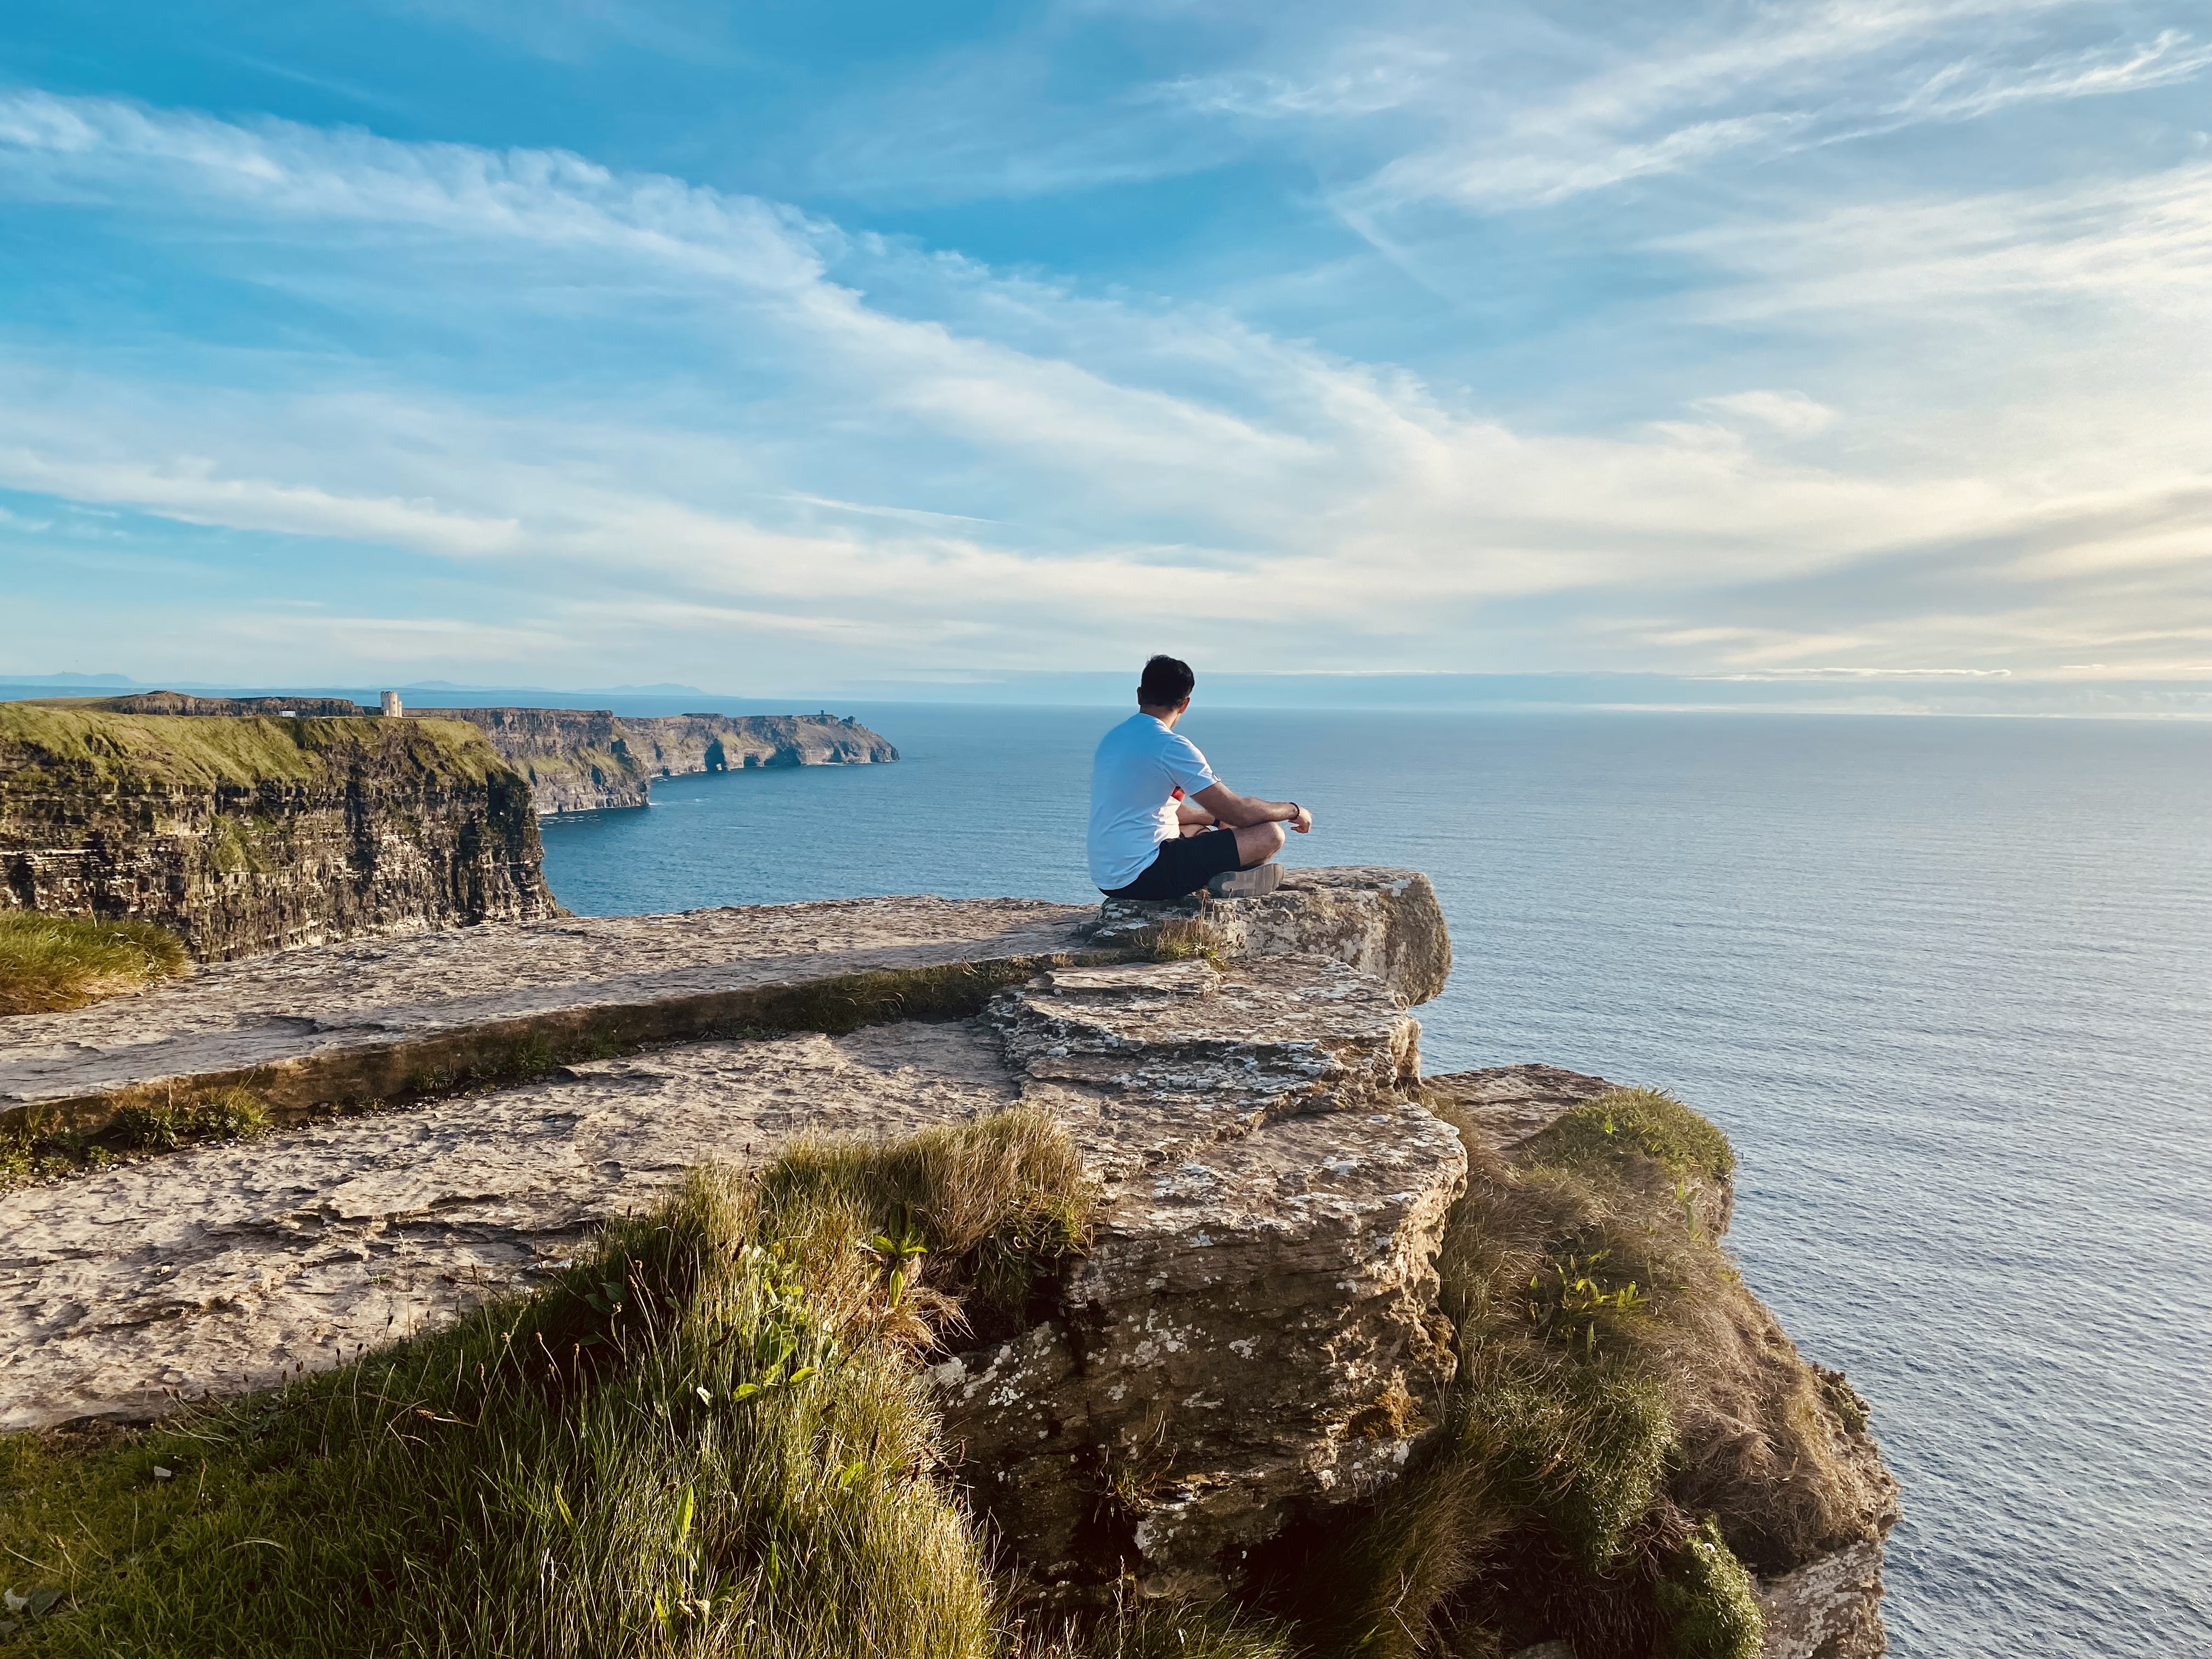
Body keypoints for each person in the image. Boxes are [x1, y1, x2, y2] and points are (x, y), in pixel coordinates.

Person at [1087, 654, 1313, 901]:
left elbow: (1161, 808)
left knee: (1197, 829)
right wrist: (1294, 810)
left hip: (1109, 878)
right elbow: (1237, 812)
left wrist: (1216, 821)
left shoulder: (1114, 739)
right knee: (1270, 834)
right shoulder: (1170, 746)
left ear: (1140, 695)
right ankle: (1232, 881)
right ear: (1185, 704)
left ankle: (1222, 875)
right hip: (1145, 876)